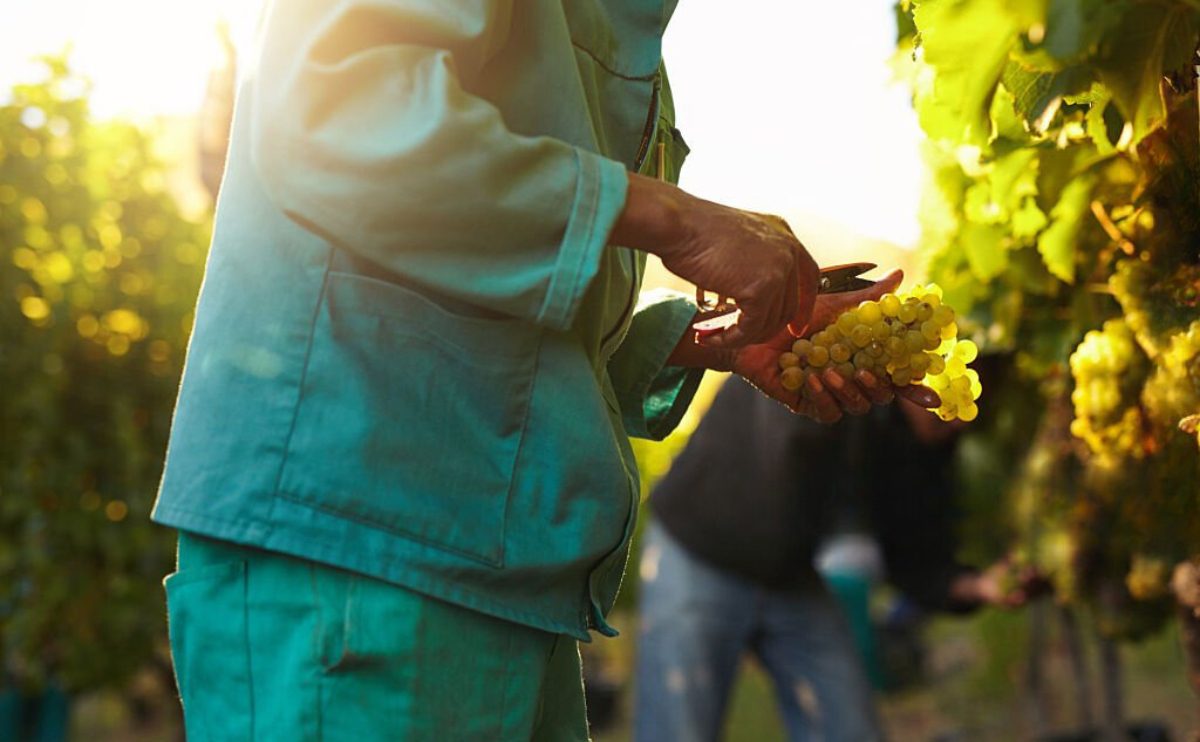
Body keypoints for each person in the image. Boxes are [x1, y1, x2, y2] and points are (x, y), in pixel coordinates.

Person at [151, 2, 936, 738]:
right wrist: (673, 216)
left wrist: (702, 343)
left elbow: (494, 282)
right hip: (357, 550)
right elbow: (336, 115)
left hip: (478, 559)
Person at [634, 375, 1041, 742]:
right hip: (697, 551)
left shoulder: (921, 441)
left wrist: (980, 586)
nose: (956, 422)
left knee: (851, 729)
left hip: (789, 574)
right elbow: (786, 437)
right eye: (949, 413)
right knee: (677, 730)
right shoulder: (844, 368)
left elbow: (914, 555)